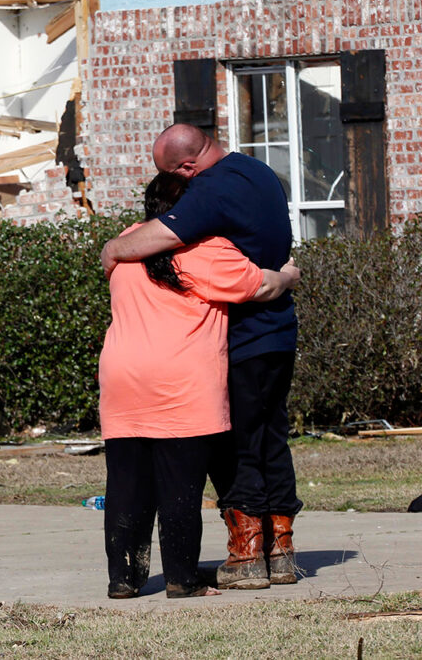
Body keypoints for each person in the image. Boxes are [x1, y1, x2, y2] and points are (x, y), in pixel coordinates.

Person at [100, 123, 303, 589]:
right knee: (266, 442)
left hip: (217, 348)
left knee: (228, 451)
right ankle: (273, 553)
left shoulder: (208, 194)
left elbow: (151, 239)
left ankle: (243, 553)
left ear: (188, 167)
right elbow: (263, 281)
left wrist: (113, 248)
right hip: (270, 335)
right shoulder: (258, 173)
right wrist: (287, 275)